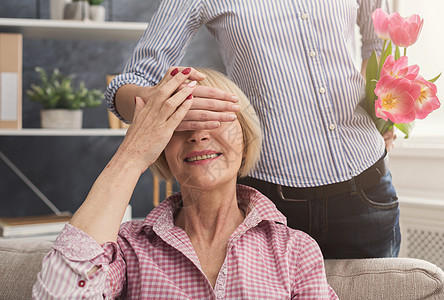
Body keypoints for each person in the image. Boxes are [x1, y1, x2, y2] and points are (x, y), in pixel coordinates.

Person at [105, 0, 400, 259]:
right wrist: (170, 104)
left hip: (366, 190)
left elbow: (381, 47)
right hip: (269, 203)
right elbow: (128, 81)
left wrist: (383, 116)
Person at [32, 69, 338, 299]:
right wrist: (132, 154)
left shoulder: (295, 251)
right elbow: (60, 294)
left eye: (215, 117)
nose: (198, 134)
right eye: (180, 122)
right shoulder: (127, 248)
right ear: (161, 146)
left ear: (245, 140)